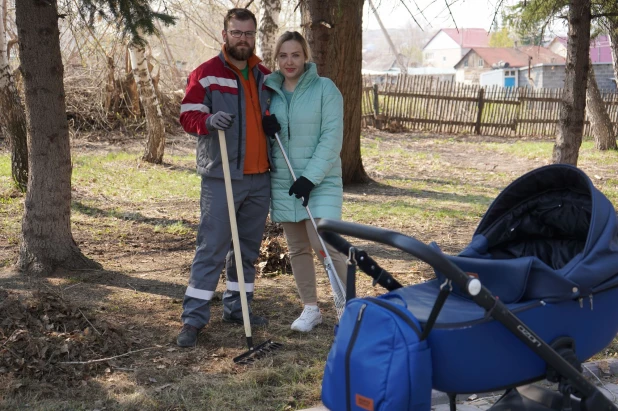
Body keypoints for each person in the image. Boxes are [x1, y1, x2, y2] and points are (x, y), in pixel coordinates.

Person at [177, 8, 273, 347]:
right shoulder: (206, 74)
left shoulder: (265, 75)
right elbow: (187, 115)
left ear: (254, 36)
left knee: (246, 250)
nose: (242, 39)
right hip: (222, 177)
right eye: (236, 33)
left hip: (259, 178)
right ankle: (193, 319)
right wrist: (207, 121)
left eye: (248, 33)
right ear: (225, 34)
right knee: (212, 247)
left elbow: (274, 113)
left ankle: (238, 307)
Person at [262, 31, 347, 332]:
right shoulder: (269, 92)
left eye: (295, 54)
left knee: (326, 244)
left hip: (320, 181)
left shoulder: (326, 89)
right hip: (285, 180)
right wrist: (266, 125)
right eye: (283, 55)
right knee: (297, 247)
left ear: (305, 56)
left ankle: (348, 308)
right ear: (276, 58)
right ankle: (310, 308)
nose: (289, 61)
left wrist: (310, 178)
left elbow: (332, 137)